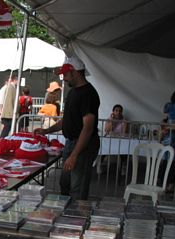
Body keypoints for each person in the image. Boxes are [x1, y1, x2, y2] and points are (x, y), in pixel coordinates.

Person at [35, 56, 100, 199]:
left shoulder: (88, 94)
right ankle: (67, 215)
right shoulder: (73, 92)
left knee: (77, 188)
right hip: (71, 143)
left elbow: (87, 128)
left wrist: (74, 155)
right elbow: (67, 120)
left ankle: (77, 217)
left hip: (83, 146)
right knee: (65, 184)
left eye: (65, 74)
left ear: (74, 72)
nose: (63, 78)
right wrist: (47, 131)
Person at [104, 104, 128, 176]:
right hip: (110, 139)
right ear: (113, 111)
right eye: (116, 110)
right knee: (105, 148)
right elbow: (107, 131)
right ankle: (100, 164)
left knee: (124, 150)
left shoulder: (124, 121)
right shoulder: (109, 120)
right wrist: (112, 121)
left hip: (120, 140)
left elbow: (125, 133)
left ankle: (123, 167)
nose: (118, 112)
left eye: (120, 111)